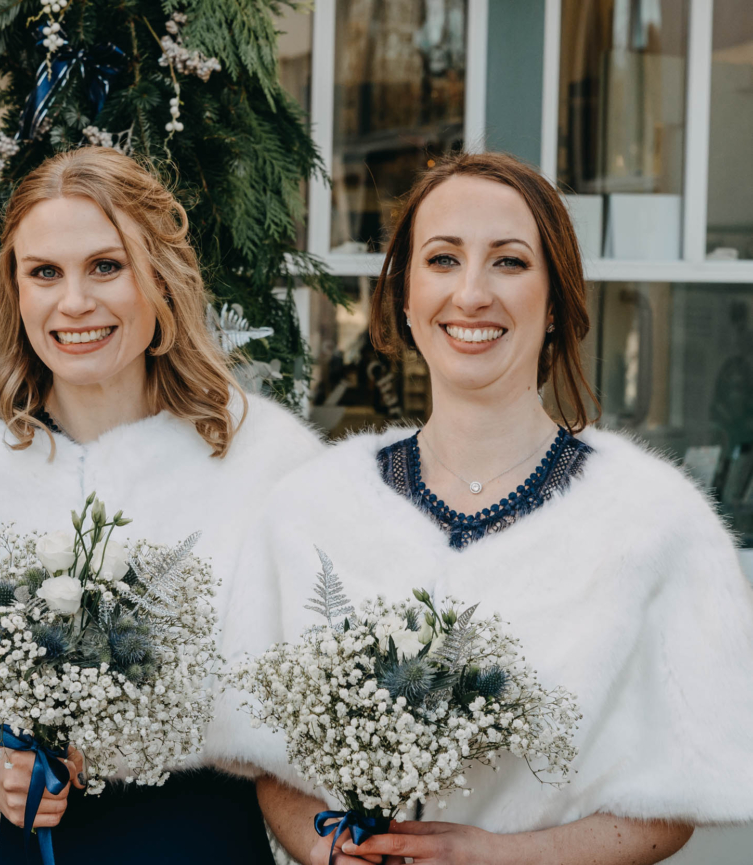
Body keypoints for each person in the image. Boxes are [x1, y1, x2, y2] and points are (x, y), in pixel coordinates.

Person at [248, 151, 753, 865]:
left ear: (554, 302)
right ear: (404, 295)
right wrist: (332, 851)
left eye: (510, 262)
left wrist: (497, 856)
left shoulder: (654, 520)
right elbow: (270, 760)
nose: (473, 293)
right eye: (443, 259)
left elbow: (671, 800)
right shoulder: (310, 507)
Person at [0, 146, 325, 864]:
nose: (74, 302)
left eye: (105, 267)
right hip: (19, 844)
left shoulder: (263, 460)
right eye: (44, 272)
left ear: (160, 281)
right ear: (16, 292)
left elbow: (305, 721)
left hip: (196, 840)